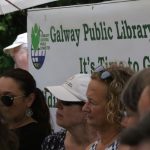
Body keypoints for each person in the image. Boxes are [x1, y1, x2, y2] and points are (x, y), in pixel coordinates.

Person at [82, 63, 133, 150]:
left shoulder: (129, 147)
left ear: (115, 106)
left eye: (92, 102)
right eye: (87, 100)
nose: (84, 108)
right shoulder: (90, 148)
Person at [42, 73, 98, 150]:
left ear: (87, 108)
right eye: (58, 100)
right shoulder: (52, 142)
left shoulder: (112, 145)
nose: (57, 105)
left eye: (65, 101)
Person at [0, 68, 52, 150]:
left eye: (7, 98)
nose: (1, 103)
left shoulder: (36, 136)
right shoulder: (4, 130)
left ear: (29, 99)